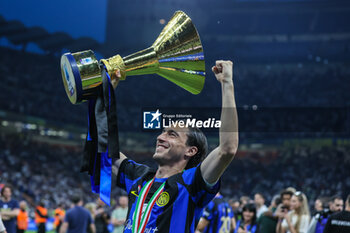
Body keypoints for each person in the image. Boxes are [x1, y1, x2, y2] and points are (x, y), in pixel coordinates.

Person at [112, 60, 238, 233]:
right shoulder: (139, 176)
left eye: (171, 134)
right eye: (163, 132)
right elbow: (104, 149)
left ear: (190, 150)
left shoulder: (192, 182)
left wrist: (227, 83)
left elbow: (227, 150)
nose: (160, 137)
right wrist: (107, 94)